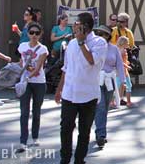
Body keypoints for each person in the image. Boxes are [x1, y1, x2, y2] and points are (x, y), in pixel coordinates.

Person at [55, 12, 107, 164]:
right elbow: (66, 68)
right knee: (65, 128)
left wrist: (81, 42)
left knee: (84, 132)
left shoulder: (99, 43)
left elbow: (91, 60)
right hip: (69, 93)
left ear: (86, 27)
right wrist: (59, 89)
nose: (74, 26)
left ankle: (79, 160)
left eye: (78, 24)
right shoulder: (70, 44)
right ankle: (65, 158)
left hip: (88, 95)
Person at [16, 22, 48, 153]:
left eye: (36, 33)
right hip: (25, 82)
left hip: (39, 82)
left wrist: (29, 72)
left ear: (40, 34)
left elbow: (39, 67)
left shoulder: (43, 49)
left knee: (36, 111)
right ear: (28, 34)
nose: (34, 35)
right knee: (24, 111)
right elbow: (21, 62)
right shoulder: (22, 46)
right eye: (31, 32)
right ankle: (23, 141)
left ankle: (35, 137)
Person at [94, 25, 125, 148]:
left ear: (108, 36)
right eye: (99, 34)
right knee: (100, 106)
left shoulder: (113, 49)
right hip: (96, 80)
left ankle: (100, 129)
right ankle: (101, 134)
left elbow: (119, 65)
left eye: (104, 34)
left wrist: (122, 80)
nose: (102, 36)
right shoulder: (94, 47)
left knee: (105, 107)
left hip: (109, 80)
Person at [116, 36, 134, 107]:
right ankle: (128, 102)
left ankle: (118, 101)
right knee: (127, 86)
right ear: (123, 43)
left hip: (121, 71)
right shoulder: (121, 51)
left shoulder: (120, 50)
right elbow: (120, 62)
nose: (128, 44)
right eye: (127, 42)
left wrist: (127, 62)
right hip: (122, 71)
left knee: (120, 86)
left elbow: (122, 60)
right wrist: (127, 66)